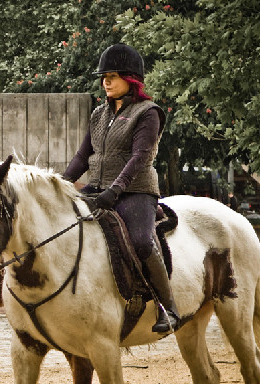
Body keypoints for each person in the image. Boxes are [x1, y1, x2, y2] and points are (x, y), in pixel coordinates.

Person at [63, 43, 179, 333]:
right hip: (99, 187)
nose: (105, 82)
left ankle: (168, 307)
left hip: (135, 191)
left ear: (131, 79)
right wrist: (61, 185)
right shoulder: (99, 113)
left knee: (141, 241)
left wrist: (115, 190)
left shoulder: (148, 112)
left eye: (112, 76)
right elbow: (82, 156)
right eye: (104, 77)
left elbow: (140, 158)